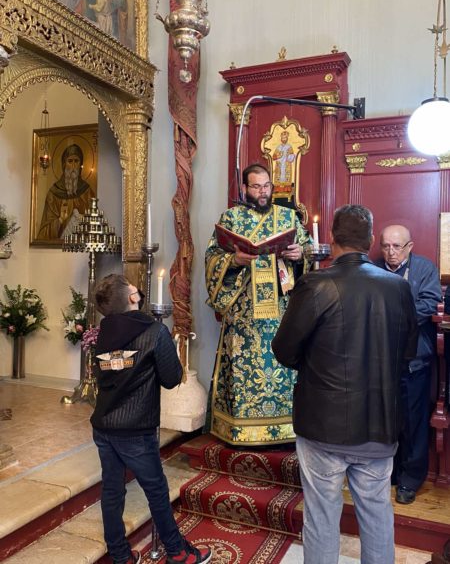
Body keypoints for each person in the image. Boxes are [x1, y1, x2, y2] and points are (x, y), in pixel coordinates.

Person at [272, 205, 418, 564]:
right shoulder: (399, 288)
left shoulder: (315, 284)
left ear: (332, 239)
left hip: (323, 425)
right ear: (371, 241)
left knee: (321, 519)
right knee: (377, 516)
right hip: (379, 424)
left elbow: (284, 350)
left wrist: (315, 362)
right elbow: (408, 354)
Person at [91, 274, 212, 564]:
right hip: (135, 428)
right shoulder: (154, 332)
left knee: (112, 491)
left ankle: (120, 556)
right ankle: (177, 552)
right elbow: (171, 378)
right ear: (132, 298)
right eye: (133, 288)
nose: (138, 290)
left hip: (105, 425)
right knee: (156, 490)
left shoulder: (103, 333)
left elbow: (107, 371)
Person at [205, 163, 310, 446]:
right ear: (244, 188)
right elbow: (212, 258)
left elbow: (310, 252)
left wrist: (300, 254)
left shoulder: (288, 217)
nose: (263, 192)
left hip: (281, 313)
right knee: (242, 371)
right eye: (256, 187)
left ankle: (285, 428)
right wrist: (233, 260)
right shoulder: (231, 218)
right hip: (244, 314)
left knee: (283, 367)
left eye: (266, 186)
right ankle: (239, 428)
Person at [376, 224, 441, 504]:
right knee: (385, 421)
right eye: (386, 246)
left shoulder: (424, 269)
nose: (391, 252)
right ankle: (389, 473)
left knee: (414, 422)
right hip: (381, 361)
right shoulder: (373, 269)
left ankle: (410, 479)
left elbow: (429, 304)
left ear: (410, 247)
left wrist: (392, 316)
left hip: (414, 361)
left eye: (397, 246)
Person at [37, 143, 95, 240]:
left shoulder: (87, 192)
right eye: (70, 161)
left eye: (76, 161)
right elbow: (43, 234)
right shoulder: (53, 193)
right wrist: (60, 220)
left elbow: (96, 224)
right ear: (64, 164)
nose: (73, 166)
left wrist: (85, 220)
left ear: (81, 165)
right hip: (57, 246)